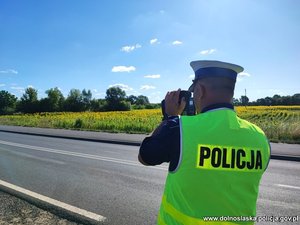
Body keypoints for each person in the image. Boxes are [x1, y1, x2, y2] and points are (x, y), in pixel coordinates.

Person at [138, 60, 270, 225]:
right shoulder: (259, 137)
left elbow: (144, 156)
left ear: (199, 91)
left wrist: (169, 118)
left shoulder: (178, 128)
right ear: (232, 92)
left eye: (193, 92)